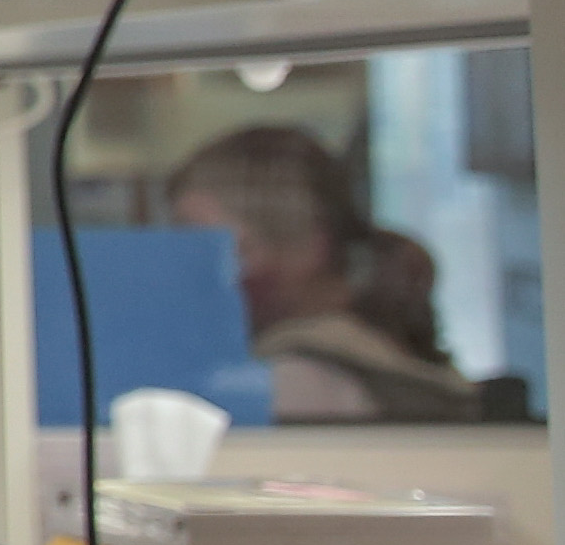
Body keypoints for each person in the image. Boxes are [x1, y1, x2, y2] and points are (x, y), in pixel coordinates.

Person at [166, 122, 496, 420]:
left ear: (309, 249)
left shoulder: (295, 381)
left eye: (210, 249)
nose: (187, 272)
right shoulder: (380, 348)